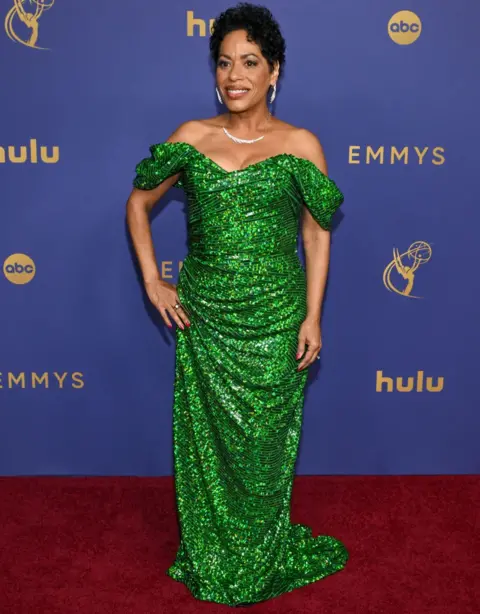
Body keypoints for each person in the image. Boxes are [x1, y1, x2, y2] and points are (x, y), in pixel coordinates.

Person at [126, 2, 348, 607]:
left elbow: (315, 233)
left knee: (265, 450)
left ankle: (262, 548)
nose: (235, 75)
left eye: (249, 62)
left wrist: (312, 315)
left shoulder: (301, 144)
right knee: (208, 448)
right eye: (224, 63)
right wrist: (153, 280)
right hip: (205, 318)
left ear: (274, 71)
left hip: (276, 318)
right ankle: (213, 550)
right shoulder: (190, 138)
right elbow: (138, 203)